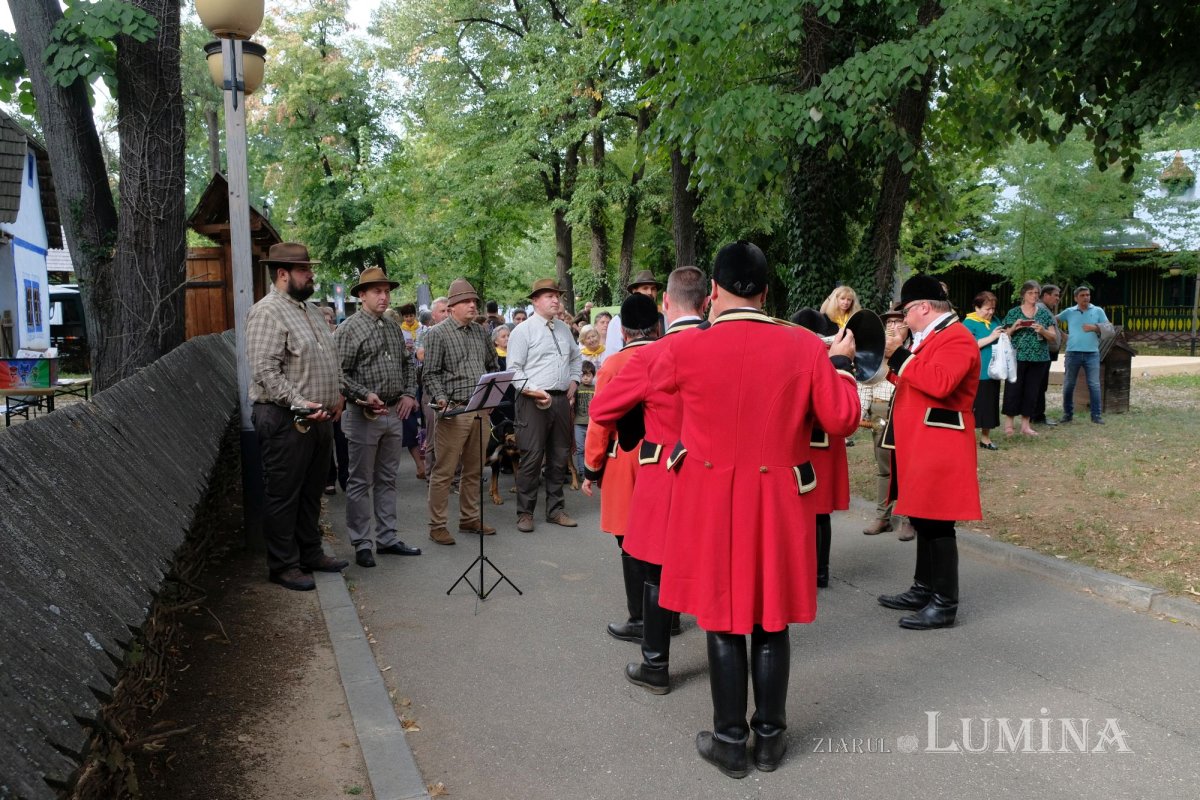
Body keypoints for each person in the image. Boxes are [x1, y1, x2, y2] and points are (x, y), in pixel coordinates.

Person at [656, 242, 860, 777]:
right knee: (772, 620)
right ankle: (769, 740)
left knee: (723, 620)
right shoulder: (802, 345)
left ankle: (730, 742)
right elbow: (840, 421)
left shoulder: (684, 347)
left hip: (712, 498)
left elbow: (650, 392)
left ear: (714, 293)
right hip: (778, 500)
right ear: (766, 292)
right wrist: (839, 367)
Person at [587, 265, 710, 694]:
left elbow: (601, 410)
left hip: (662, 470)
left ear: (667, 304)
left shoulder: (647, 356)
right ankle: (726, 664)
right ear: (708, 300)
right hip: (714, 474)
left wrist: (635, 429)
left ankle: (656, 665)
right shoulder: (722, 345)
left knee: (656, 566)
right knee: (711, 565)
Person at [878, 275, 981, 631]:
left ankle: (944, 603)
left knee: (938, 523)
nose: (904, 319)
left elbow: (940, 383)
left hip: (941, 443)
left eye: (906, 311)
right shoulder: (935, 335)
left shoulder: (956, 336)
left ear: (924, 307)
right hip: (924, 440)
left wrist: (901, 355)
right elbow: (916, 382)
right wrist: (895, 364)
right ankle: (924, 588)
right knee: (923, 517)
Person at [246, 242, 349, 591]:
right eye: (305, 270)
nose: (311, 274)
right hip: (284, 418)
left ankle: (310, 553)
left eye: (310, 268)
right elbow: (265, 371)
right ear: (282, 274)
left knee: (310, 493)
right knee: (284, 495)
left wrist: (335, 395)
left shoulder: (311, 312)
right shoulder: (267, 312)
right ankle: (283, 565)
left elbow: (327, 362)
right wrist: (301, 402)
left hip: (317, 418)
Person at [581, 294, 661, 641]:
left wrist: (591, 469)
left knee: (630, 539)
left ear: (623, 331)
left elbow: (600, 422)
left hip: (626, 458)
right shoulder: (668, 355)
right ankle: (667, 616)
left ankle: (641, 620)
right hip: (665, 454)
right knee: (662, 536)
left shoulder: (613, 365)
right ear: (656, 327)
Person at [335, 268, 423, 569]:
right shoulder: (348, 329)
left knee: (387, 479)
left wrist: (410, 394)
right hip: (364, 415)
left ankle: (387, 538)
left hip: (393, 411)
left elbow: (407, 363)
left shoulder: (391, 326)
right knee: (360, 481)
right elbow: (339, 374)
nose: (384, 296)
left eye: (386, 291)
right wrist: (364, 394)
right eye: (377, 291)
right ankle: (362, 542)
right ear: (362, 295)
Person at [422, 279, 500, 545]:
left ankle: (468, 518)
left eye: (474, 301)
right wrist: (442, 399)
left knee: (474, 470)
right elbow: (429, 374)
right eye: (467, 302)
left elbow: (493, 365)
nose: (472, 305)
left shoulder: (480, 332)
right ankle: (437, 525)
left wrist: (492, 396)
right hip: (453, 411)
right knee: (444, 471)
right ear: (452, 306)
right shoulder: (437, 334)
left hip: (480, 409)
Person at [506, 278, 583, 532]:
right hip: (532, 401)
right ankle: (525, 513)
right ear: (535, 301)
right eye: (549, 296)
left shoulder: (562, 328)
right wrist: (533, 391)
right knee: (531, 456)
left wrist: (574, 379)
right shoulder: (522, 331)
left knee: (560, 455)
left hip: (561, 400)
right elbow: (514, 370)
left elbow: (576, 357)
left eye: (557, 296)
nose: (555, 300)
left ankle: (555, 510)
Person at [859, 307, 914, 540]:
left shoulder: (915, 350)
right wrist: (861, 412)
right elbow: (866, 381)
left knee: (909, 467)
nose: (892, 326)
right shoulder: (878, 350)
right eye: (888, 322)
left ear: (908, 324)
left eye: (898, 321)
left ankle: (908, 518)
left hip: (908, 410)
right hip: (881, 409)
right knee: (885, 468)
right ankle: (883, 516)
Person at [1001, 280, 1056, 437]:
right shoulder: (1014, 313)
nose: (1034, 296)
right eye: (1030, 293)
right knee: (1013, 389)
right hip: (1017, 356)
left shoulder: (1044, 313)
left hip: (1039, 358)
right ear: (1023, 295)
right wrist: (1014, 327)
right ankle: (1009, 424)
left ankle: (1026, 425)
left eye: (1036, 293)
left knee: (1032, 391)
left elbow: (1053, 337)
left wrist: (1043, 330)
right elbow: (1004, 335)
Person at [1058, 285, 1109, 424]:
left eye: (1088, 295)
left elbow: (1110, 329)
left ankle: (1096, 415)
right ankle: (1067, 414)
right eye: (1082, 295)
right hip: (1072, 353)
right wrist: (1062, 334)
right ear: (1076, 298)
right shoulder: (1069, 312)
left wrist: (1095, 327)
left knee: (1094, 385)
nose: (1086, 297)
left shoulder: (1097, 310)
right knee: (1069, 384)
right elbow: (1053, 320)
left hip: (1092, 353)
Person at [963, 291, 1005, 451]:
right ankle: (967, 437)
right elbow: (971, 345)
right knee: (974, 406)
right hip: (977, 372)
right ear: (977, 307)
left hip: (994, 370)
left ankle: (985, 438)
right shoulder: (968, 323)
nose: (991, 312)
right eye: (987, 309)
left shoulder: (995, 321)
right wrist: (993, 337)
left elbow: (1000, 336)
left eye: (993, 308)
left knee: (989, 405)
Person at [319, 305, 350, 495]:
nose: (328, 322)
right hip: (321, 400)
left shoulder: (337, 340)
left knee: (343, 440)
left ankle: (345, 478)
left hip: (339, 399)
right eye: (325, 319)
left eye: (330, 319)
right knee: (326, 443)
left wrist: (342, 396)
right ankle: (328, 478)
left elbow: (343, 370)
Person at [418, 297, 450, 477]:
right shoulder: (428, 333)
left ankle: (453, 477)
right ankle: (431, 475)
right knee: (433, 434)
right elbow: (420, 355)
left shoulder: (455, 332)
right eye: (442, 311)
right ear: (433, 315)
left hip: (451, 390)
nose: (446, 314)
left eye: (448, 310)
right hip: (431, 392)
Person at [604, 270, 663, 356]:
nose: (650, 292)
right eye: (645, 288)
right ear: (635, 292)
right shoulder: (617, 322)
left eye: (653, 289)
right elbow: (612, 357)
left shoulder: (663, 318)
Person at [1032, 284, 1063, 425]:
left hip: (1047, 352)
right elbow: (1039, 331)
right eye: (1055, 295)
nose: (1058, 298)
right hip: (1042, 352)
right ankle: (1037, 416)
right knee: (1039, 384)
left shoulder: (1046, 310)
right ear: (1045, 296)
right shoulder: (1041, 310)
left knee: (1041, 384)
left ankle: (1037, 415)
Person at [572, 361, 596, 479]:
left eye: (589, 375)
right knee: (580, 449)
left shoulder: (596, 388)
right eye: (583, 375)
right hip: (578, 423)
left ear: (593, 376)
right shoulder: (576, 388)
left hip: (592, 424)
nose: (586, 378)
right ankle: (582, 473)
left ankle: (592, 472)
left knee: (591, 449)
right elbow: (571, 401)